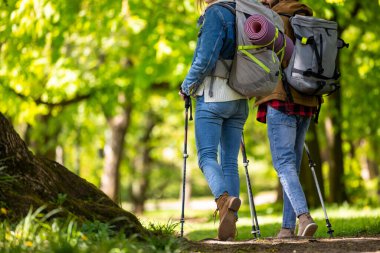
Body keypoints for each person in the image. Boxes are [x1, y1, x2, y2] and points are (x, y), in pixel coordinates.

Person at [180, 0, 249, 241]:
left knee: (207, 156)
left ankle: (223, 201)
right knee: (230, 161)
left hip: (213, 97)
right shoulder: (244, 11)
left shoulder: (215, 14)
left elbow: (205, 59)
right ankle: (230, 222)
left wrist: (186, 86)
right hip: (241, 98)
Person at [256, 0, 319, 238]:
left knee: (283, 164)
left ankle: (303, 217)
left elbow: (272, 61)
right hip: (307, 99)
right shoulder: (305, 16)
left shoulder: (275, 19)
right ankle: (286, 227)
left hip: (282, 97)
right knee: (291, 165)